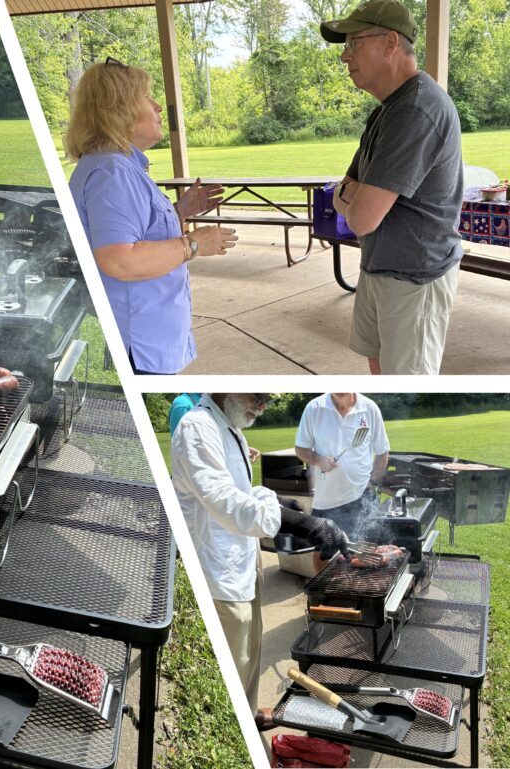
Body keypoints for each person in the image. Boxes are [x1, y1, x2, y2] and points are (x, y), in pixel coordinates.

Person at [171, 394, 348, 725]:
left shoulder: (230, 428)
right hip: (218, 567)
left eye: (269, 397)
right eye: (258, 396)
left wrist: (277, 502)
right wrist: (302, 524)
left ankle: (249, 714)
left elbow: (240, 490)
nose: (265, 405)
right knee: (234, 659)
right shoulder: (198, 428)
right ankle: (232, 724)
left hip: (240, 561)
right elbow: (225, 502)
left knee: (251, 652)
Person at [65, 60, 237, 375]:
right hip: (141, 345)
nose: (158, 106)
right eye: (147, 97)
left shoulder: (115, 166)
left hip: (146, 340)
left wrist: (179, 212)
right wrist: (193, 244)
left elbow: (131, 231)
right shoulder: (111, 171)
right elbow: (120, 260)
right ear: (119, 109)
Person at [321, 0, 462, 375]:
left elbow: (362, 217)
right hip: (381, 269)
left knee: (405, 385)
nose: (344, 57)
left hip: (414, 278)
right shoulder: (388, 109)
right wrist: (350, 195)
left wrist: (347, 197)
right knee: (379, 368)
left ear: (389, 43)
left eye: (353, 44)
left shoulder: (416, 110)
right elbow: (348, 185)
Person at [295, 393, 390, 538]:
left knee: (367, 550)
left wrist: (372, 482)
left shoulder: (369, 408)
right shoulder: (314, 408)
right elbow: (301, 449)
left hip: (362, 497)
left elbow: (382, 451)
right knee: (323, 553)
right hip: (326, 501)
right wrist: (319, 460)